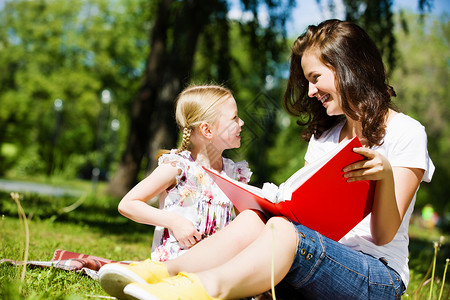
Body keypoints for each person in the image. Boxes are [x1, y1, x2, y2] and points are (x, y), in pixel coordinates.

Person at [98, 19, 434, 300]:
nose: (311, 91)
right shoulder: (327, 136)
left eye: (315, 78)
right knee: (256, 219)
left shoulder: (406, 132)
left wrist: (386, 176)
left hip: (374, 275)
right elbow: (306, 208)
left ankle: (198, 290)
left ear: (347, 68)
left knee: (284, 231)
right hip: (314, 255)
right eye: (307, 81)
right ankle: (162, 272)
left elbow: (385, 234)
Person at [115, 84, 251, 262]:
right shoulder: (178, 167)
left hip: (217, 265)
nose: (241, 122)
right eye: (234, 118)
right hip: (177, 263)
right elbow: (127, 204)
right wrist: (174, 221)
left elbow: (247, 223)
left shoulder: (234, 174)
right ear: (207, 130)